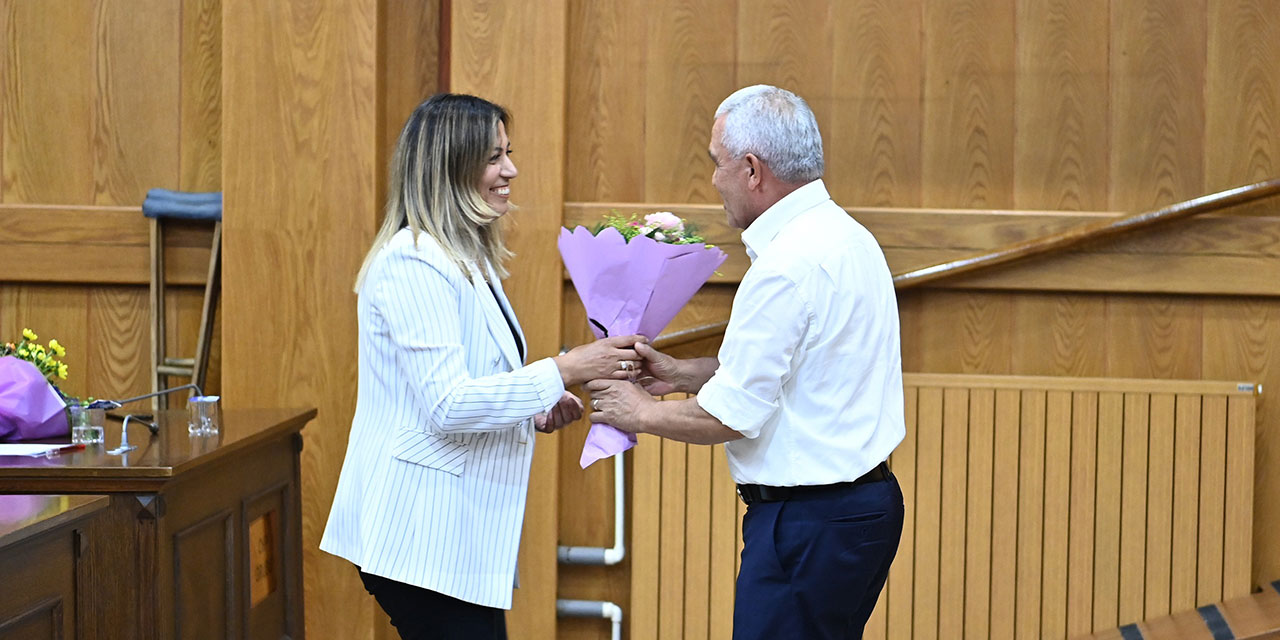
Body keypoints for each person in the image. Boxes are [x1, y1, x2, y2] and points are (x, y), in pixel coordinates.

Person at [586, 85, 906, 640]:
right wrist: (681, 375)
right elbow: (802, 369)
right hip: (857, 510)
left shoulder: (786, 265)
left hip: (808, 522)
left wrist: (634, 411)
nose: (713, 180)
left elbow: (728, 418)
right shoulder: (848, 237)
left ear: (753, 170)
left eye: (717, 163)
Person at [320, 93, 644, 640]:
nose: (510, 170)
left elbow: (467, 387)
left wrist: (533, 410)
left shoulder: (466, 257)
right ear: (452, 165)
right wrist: (562, 370)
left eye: (507, 154)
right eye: (495, 158)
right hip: (418, 533)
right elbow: (446, 404)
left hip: (453, 539)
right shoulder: (413, 261)